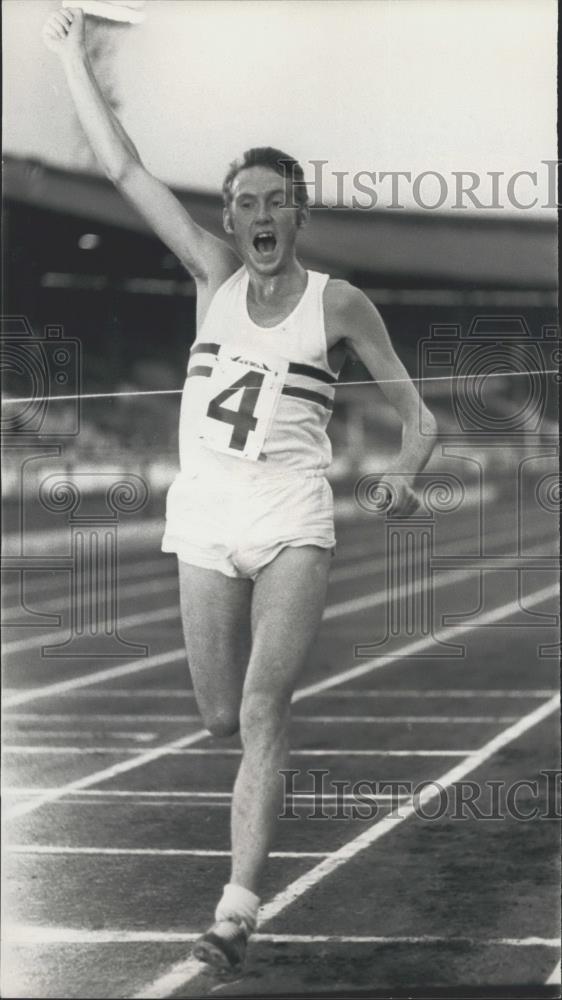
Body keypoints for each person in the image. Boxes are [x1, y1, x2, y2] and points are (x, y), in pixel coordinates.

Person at [43, 6, 438, 975]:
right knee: (219, 713)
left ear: (298, 213)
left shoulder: (336, 302)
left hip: (293, 517)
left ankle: (235, 908)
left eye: (276, 203)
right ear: (230, 217)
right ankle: (242, 879)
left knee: (264, 710)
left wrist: (400, 472)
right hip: (206, 518)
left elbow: (419, 417)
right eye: (245, 204)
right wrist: (67, 58)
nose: (260, 219)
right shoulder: (209, 275)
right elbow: (124, 170)